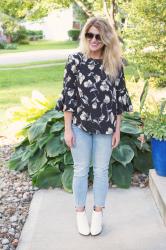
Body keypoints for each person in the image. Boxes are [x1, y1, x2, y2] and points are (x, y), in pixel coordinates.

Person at [55, 16, 133, 236]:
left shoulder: (114, 63)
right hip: (80, 125)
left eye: (99, 36)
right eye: (90, 34)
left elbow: (119, 99)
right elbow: (68, 97)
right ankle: (80, 213)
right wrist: (68, 129)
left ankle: (98, 212)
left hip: (106, 127)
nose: (94, 39)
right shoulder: (75, 61)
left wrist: (117, 128)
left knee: (100, 171)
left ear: (106, 38)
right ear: (85, 35)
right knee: (80, 170)